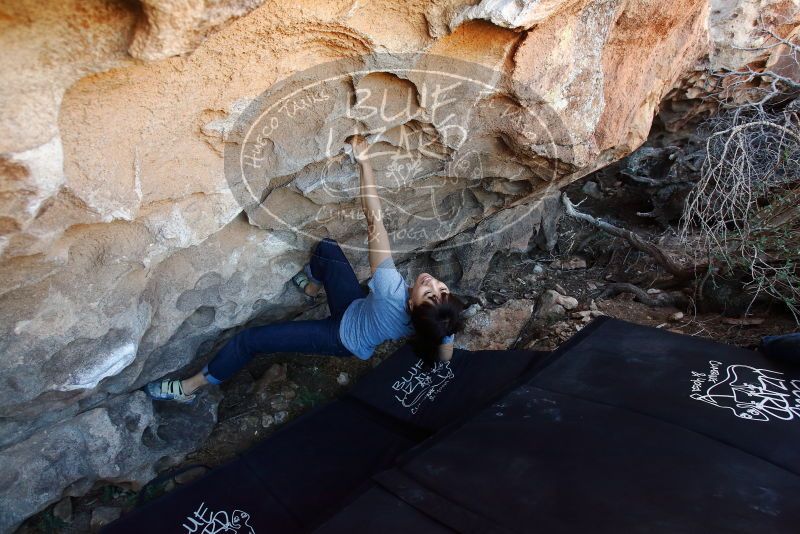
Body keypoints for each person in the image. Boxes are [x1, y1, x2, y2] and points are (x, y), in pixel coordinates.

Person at [146, 135, 464, 403]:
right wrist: (441, 345)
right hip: (354, 308)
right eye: (441, 289)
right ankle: (311, 286)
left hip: (340, 338)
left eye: (429, 293)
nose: (432, 282)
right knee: (327, 249)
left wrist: (364, 162)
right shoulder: (434, 324)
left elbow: (374, 220)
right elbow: (444, 344)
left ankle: (189, 388)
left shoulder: (390, 290)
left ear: (411, 305)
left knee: (249, 341)